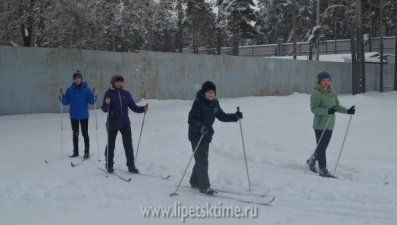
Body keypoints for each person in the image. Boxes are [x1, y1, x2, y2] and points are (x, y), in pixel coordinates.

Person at [188, 81, 243, 195]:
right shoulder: (198, 103)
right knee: (202, 160)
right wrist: (201, 127)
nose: (211, 94)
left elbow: (221, 116)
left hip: (206, 135)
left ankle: (194, 181)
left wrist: (235, 117)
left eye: (213, 92)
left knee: (201, 159)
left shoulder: (214, 103)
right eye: (208, 92)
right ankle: (204, 186)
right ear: (204, 93)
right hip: (197, 135)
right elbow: (192, 120)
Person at [306, 71, 355, 178]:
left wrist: (348, 111)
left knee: (323, 147)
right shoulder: (317, 93)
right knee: (322, 148)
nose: (326, 82)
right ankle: (323, 170)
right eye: (324, 80)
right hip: (320, 125)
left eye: (328, 80)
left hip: (330, 124)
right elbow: (314, 109)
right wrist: (327, 110)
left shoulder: (332, 92)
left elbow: (336, 106)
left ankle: (312, 159)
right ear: (320, 81)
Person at [101, 74, 148, 173]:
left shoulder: (126, 93)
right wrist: (107, 103)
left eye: (121, 81)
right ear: (113, 83)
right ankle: (109, 165)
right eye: (117, 82)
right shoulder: (108, 93)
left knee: (128, 145)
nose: (119, 83)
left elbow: (133, 106)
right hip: (113, 122)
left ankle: (131, 166)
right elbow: (104, 109)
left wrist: (142, 109)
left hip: (125, 122)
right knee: (111, 145)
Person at [59, 70, 98, 158]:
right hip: (74, 116)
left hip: (84, 115)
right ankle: (75, 151)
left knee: (85, 133)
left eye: (79, 78)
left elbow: (91, 102)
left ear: (81, 79)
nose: (77, 79)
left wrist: (95, 95)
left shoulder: (87, 90)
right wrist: (61, 96)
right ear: (73, 79)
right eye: (75, 78)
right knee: (75, 133)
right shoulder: (69, 90)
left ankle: (86, 151)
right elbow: (65, 102)